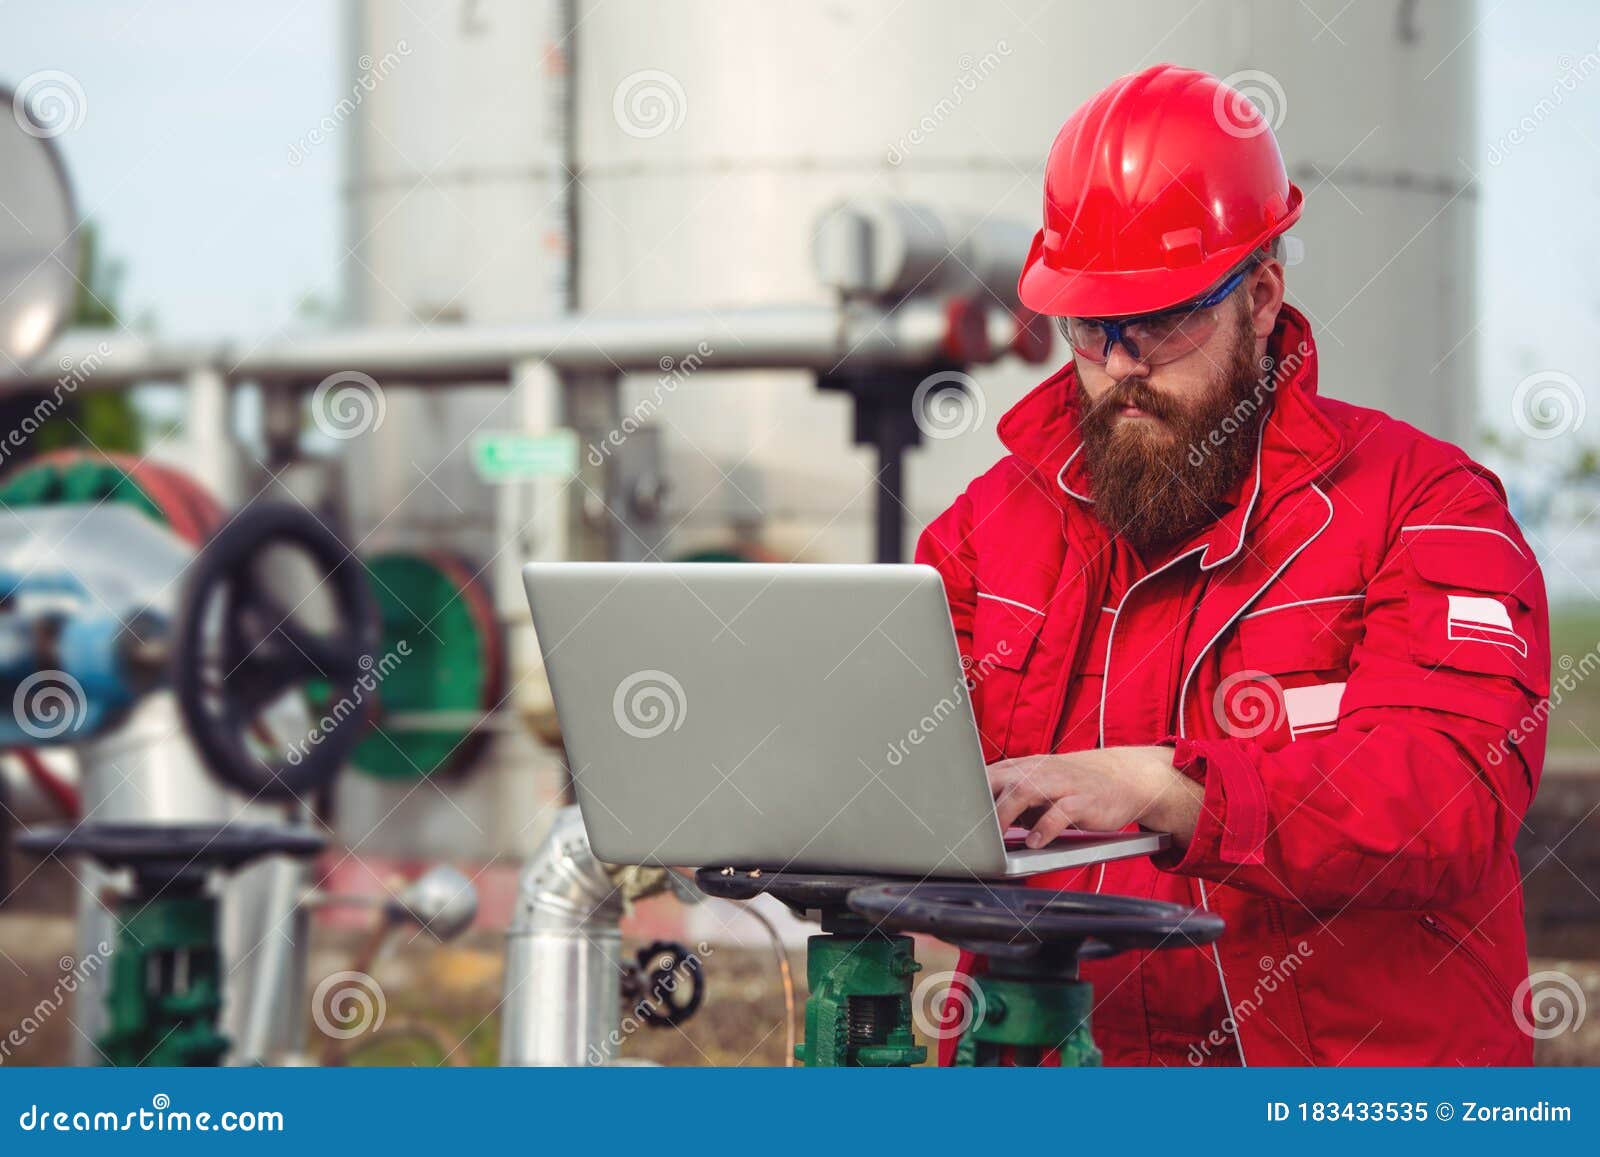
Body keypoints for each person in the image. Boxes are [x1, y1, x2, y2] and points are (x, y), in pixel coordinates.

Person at [916, 63, 1550, 1066]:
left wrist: (1171, 787)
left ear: (1259, 296)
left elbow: (1450, 793)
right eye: (1091, 323)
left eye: (1162, 318)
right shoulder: (984, 532)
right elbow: (898, 776)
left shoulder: (1424, 508)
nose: (1123, 359)